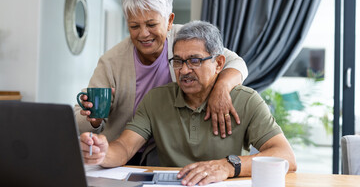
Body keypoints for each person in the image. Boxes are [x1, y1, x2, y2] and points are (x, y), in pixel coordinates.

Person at [80, 21, 297, 185]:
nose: (184, 71)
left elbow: (286, 156)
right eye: (178, 61)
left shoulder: (246, 100)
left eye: (194, 60)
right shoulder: (156, 99)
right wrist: (102, 152)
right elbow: (125, 147)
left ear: (219, 63)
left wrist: (227, 166)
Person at [75, 0, 248, 164]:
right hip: (122, 153)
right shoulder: (111, 62)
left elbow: (236, 63)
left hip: (170, 153)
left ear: (169, 21)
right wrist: (95, 119)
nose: (143, 34)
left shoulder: (185, 41)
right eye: (134, 26)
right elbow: (79, 119)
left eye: (151, 25)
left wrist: (221, 89)